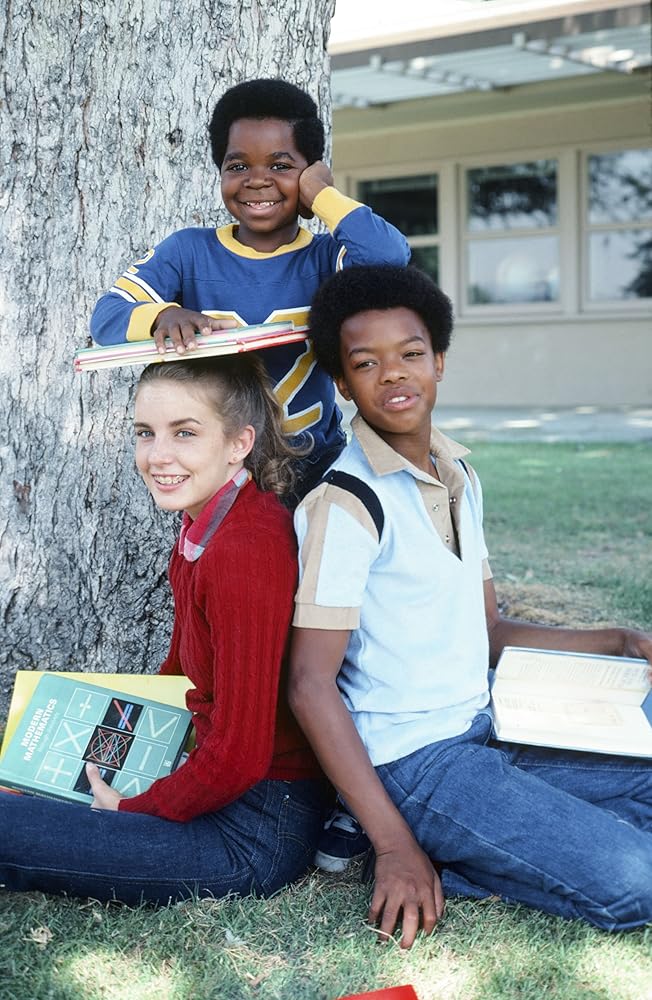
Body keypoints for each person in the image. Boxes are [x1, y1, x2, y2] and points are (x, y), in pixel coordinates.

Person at [288, 264, 652, 949]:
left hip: (494, 722)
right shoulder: (346, 504)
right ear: (341, 383)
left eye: (411, 353)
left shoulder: (459, 475)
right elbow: (309, 685)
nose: (393, 375)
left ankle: (536, 835)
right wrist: (394, 844)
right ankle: (442, 852)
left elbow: (487, 629)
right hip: (421, 763)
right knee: (636, 878)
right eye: (366, 363)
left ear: (440, 361)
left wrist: (621, 641)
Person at [0, 354, 326, 904]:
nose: (158, 456)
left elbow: (241, 755)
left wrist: (132, 809)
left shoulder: (244, 550)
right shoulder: (206, 523)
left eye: (185, 433)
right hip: (217, 788)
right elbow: (180, 670)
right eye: (145, 433)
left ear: (239, 443)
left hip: (255, 830)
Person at [90, 78, 410, 500]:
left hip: (318, 466)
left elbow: (388, 257)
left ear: (310, 173)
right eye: (238, 166)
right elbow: (106, 317)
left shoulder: (326, 257)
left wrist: (322, 194)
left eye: (281, 166)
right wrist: (162, 316)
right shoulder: (188, 251)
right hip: (224, 477)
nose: (257, 181)